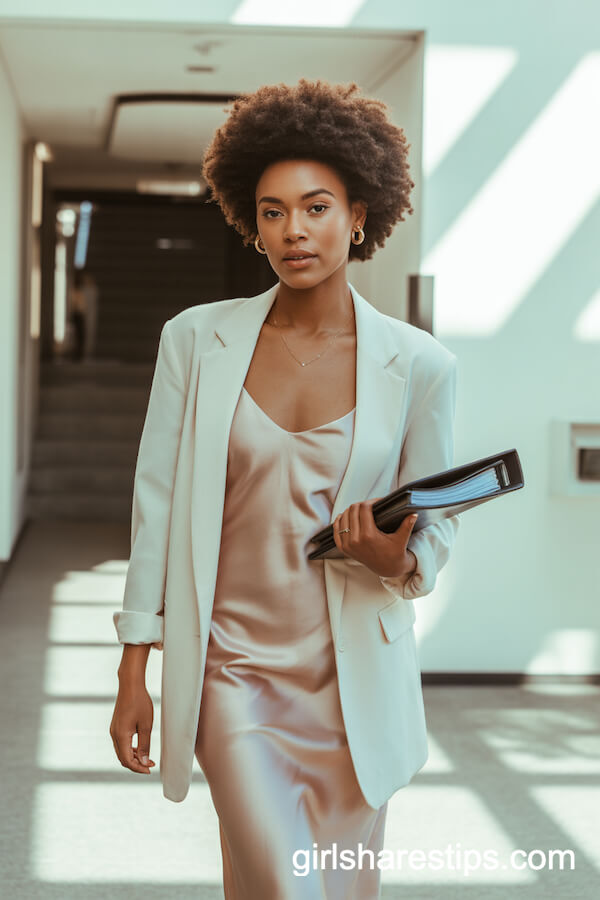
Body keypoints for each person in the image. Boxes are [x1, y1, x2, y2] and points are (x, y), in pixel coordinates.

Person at [110, 78, 459, 899]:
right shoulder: (196, 341)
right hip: (233, 675)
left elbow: (434, 530)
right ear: (249, 220)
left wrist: (395, 558)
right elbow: (155, 504)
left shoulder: (419, 364)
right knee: (281, 884)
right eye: (272, 211)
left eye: (315, 207)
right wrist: (135, 666)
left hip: (351, 688)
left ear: (360, 215)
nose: (293, 231)